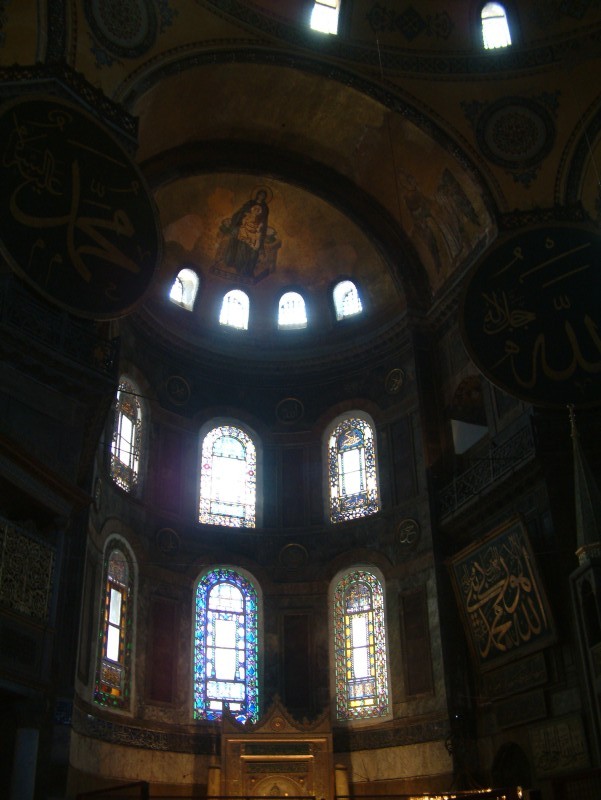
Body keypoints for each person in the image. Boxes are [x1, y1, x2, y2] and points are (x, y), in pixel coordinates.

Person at [222, 189, 269, 276]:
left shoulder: (265, 208)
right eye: (260, 194)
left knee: (253, 249)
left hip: (255, 232)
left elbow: (264, 221)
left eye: (263, 195)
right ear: (257, 195)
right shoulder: (250, 203)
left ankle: (247, 268)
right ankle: (238, 265)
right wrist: (240, 221)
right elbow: (241, 213)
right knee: (241, 246)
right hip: (244, 230)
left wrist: (258, 227)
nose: (261, 197)